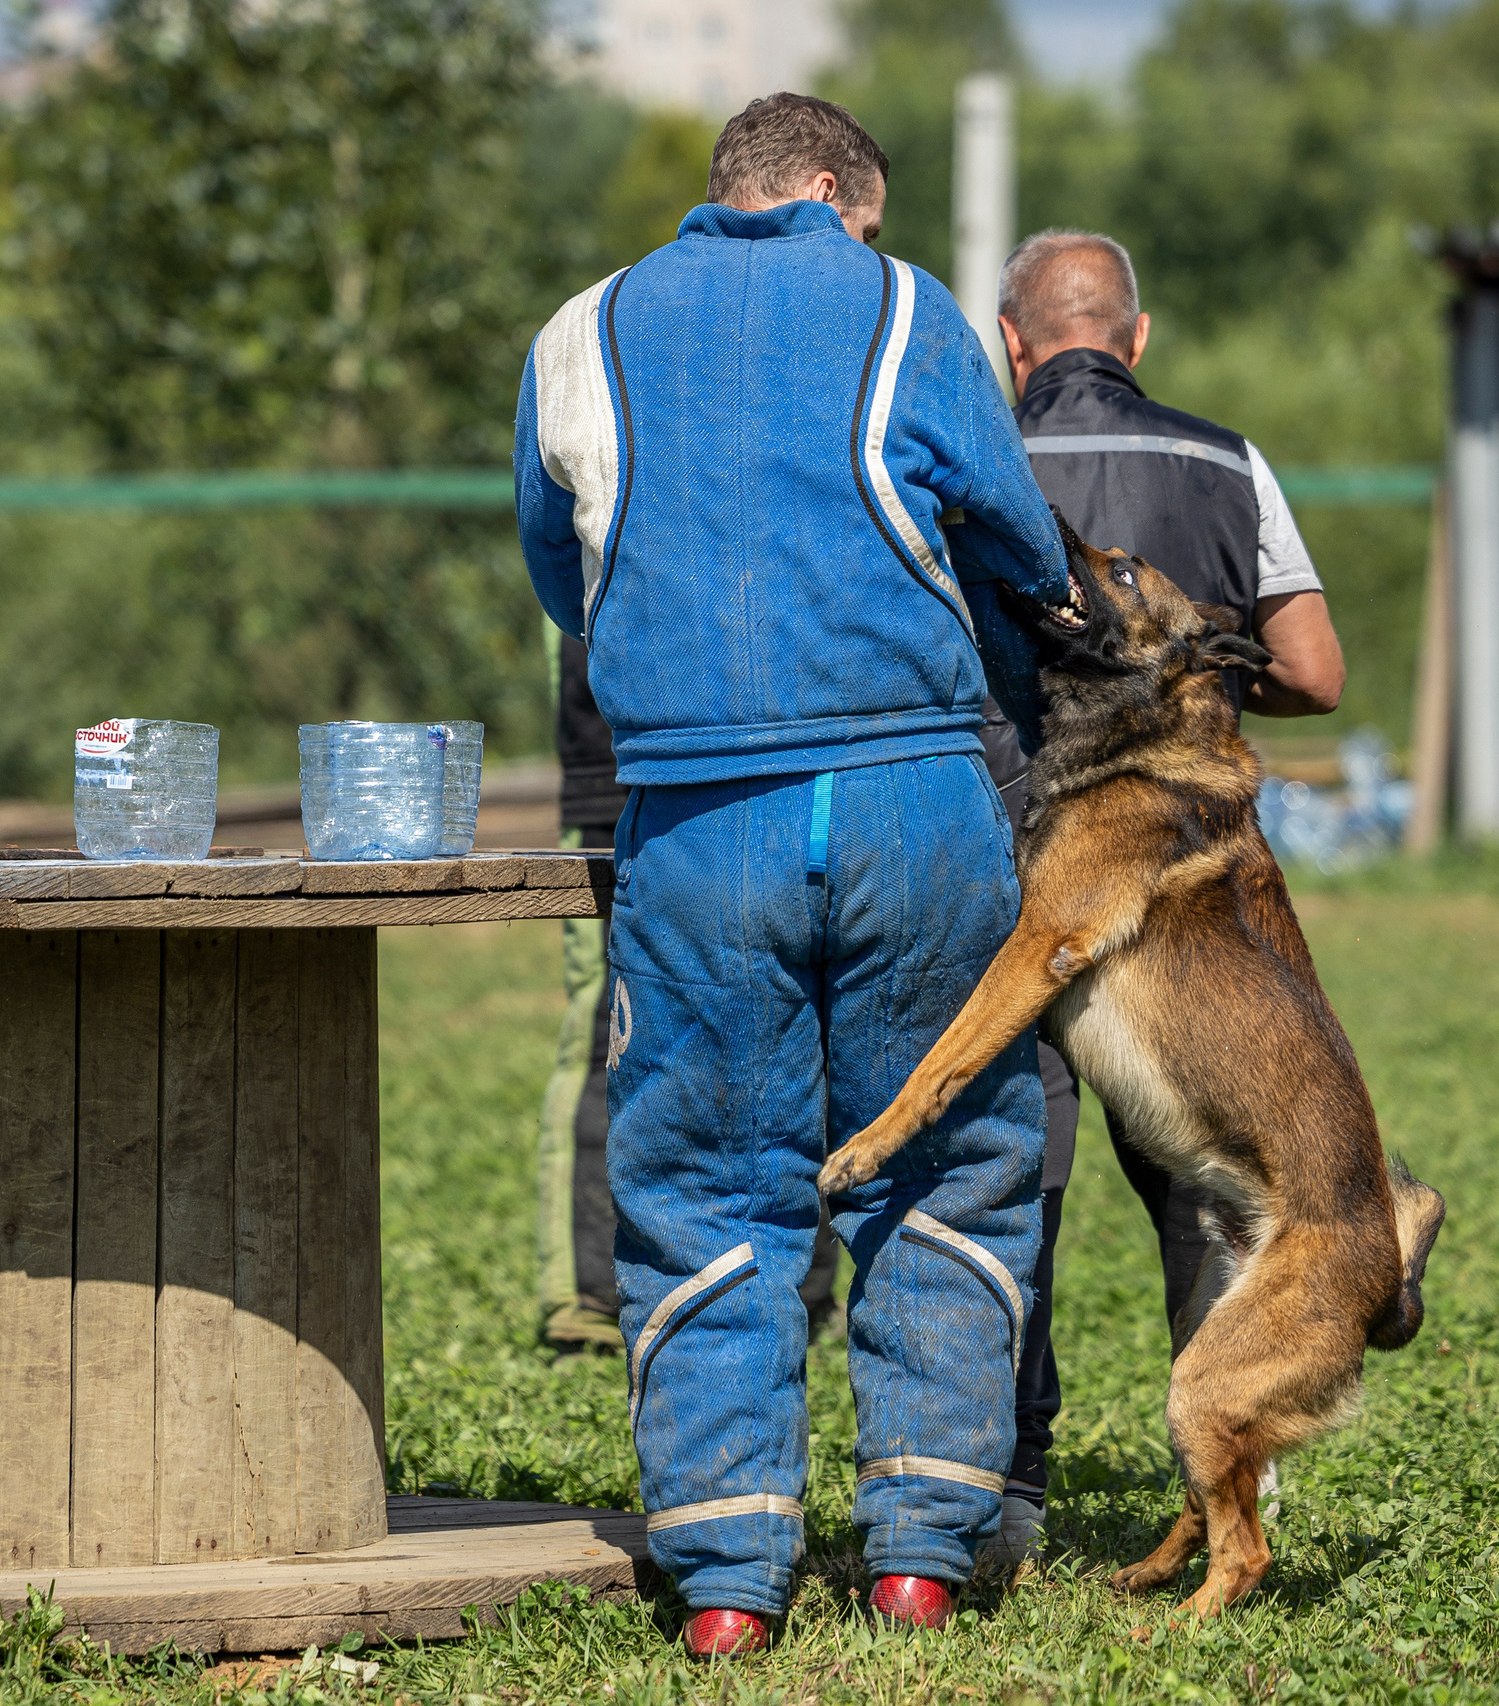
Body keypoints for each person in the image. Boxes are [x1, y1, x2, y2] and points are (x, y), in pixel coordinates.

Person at [515, 94, 1072, 1657]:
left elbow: (563, 566)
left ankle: (724, 1581)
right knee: (948, 1157)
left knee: (700, 1181)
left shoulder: (579, 331)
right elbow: (1018, 534)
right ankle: (921, 1552)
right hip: (912, 799)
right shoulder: (908, 304)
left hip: (697, 818)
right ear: (831, 191)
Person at [988, 228, 1347, 1543]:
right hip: (1187, 880)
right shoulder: (1227, 460)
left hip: (1012, 866)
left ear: (1011, 344)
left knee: (1008, 1172)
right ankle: (1239, 1461)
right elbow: (1315, 673)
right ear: (1137, 339)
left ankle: (1007, 1489)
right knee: (1204, 1181)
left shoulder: (973, 454)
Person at [536, 630, 842, 1355]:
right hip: (621, 779)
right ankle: (593, 1293)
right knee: (613, 1032)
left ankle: (803, 1287)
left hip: (775, 769)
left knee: (810, 1015)